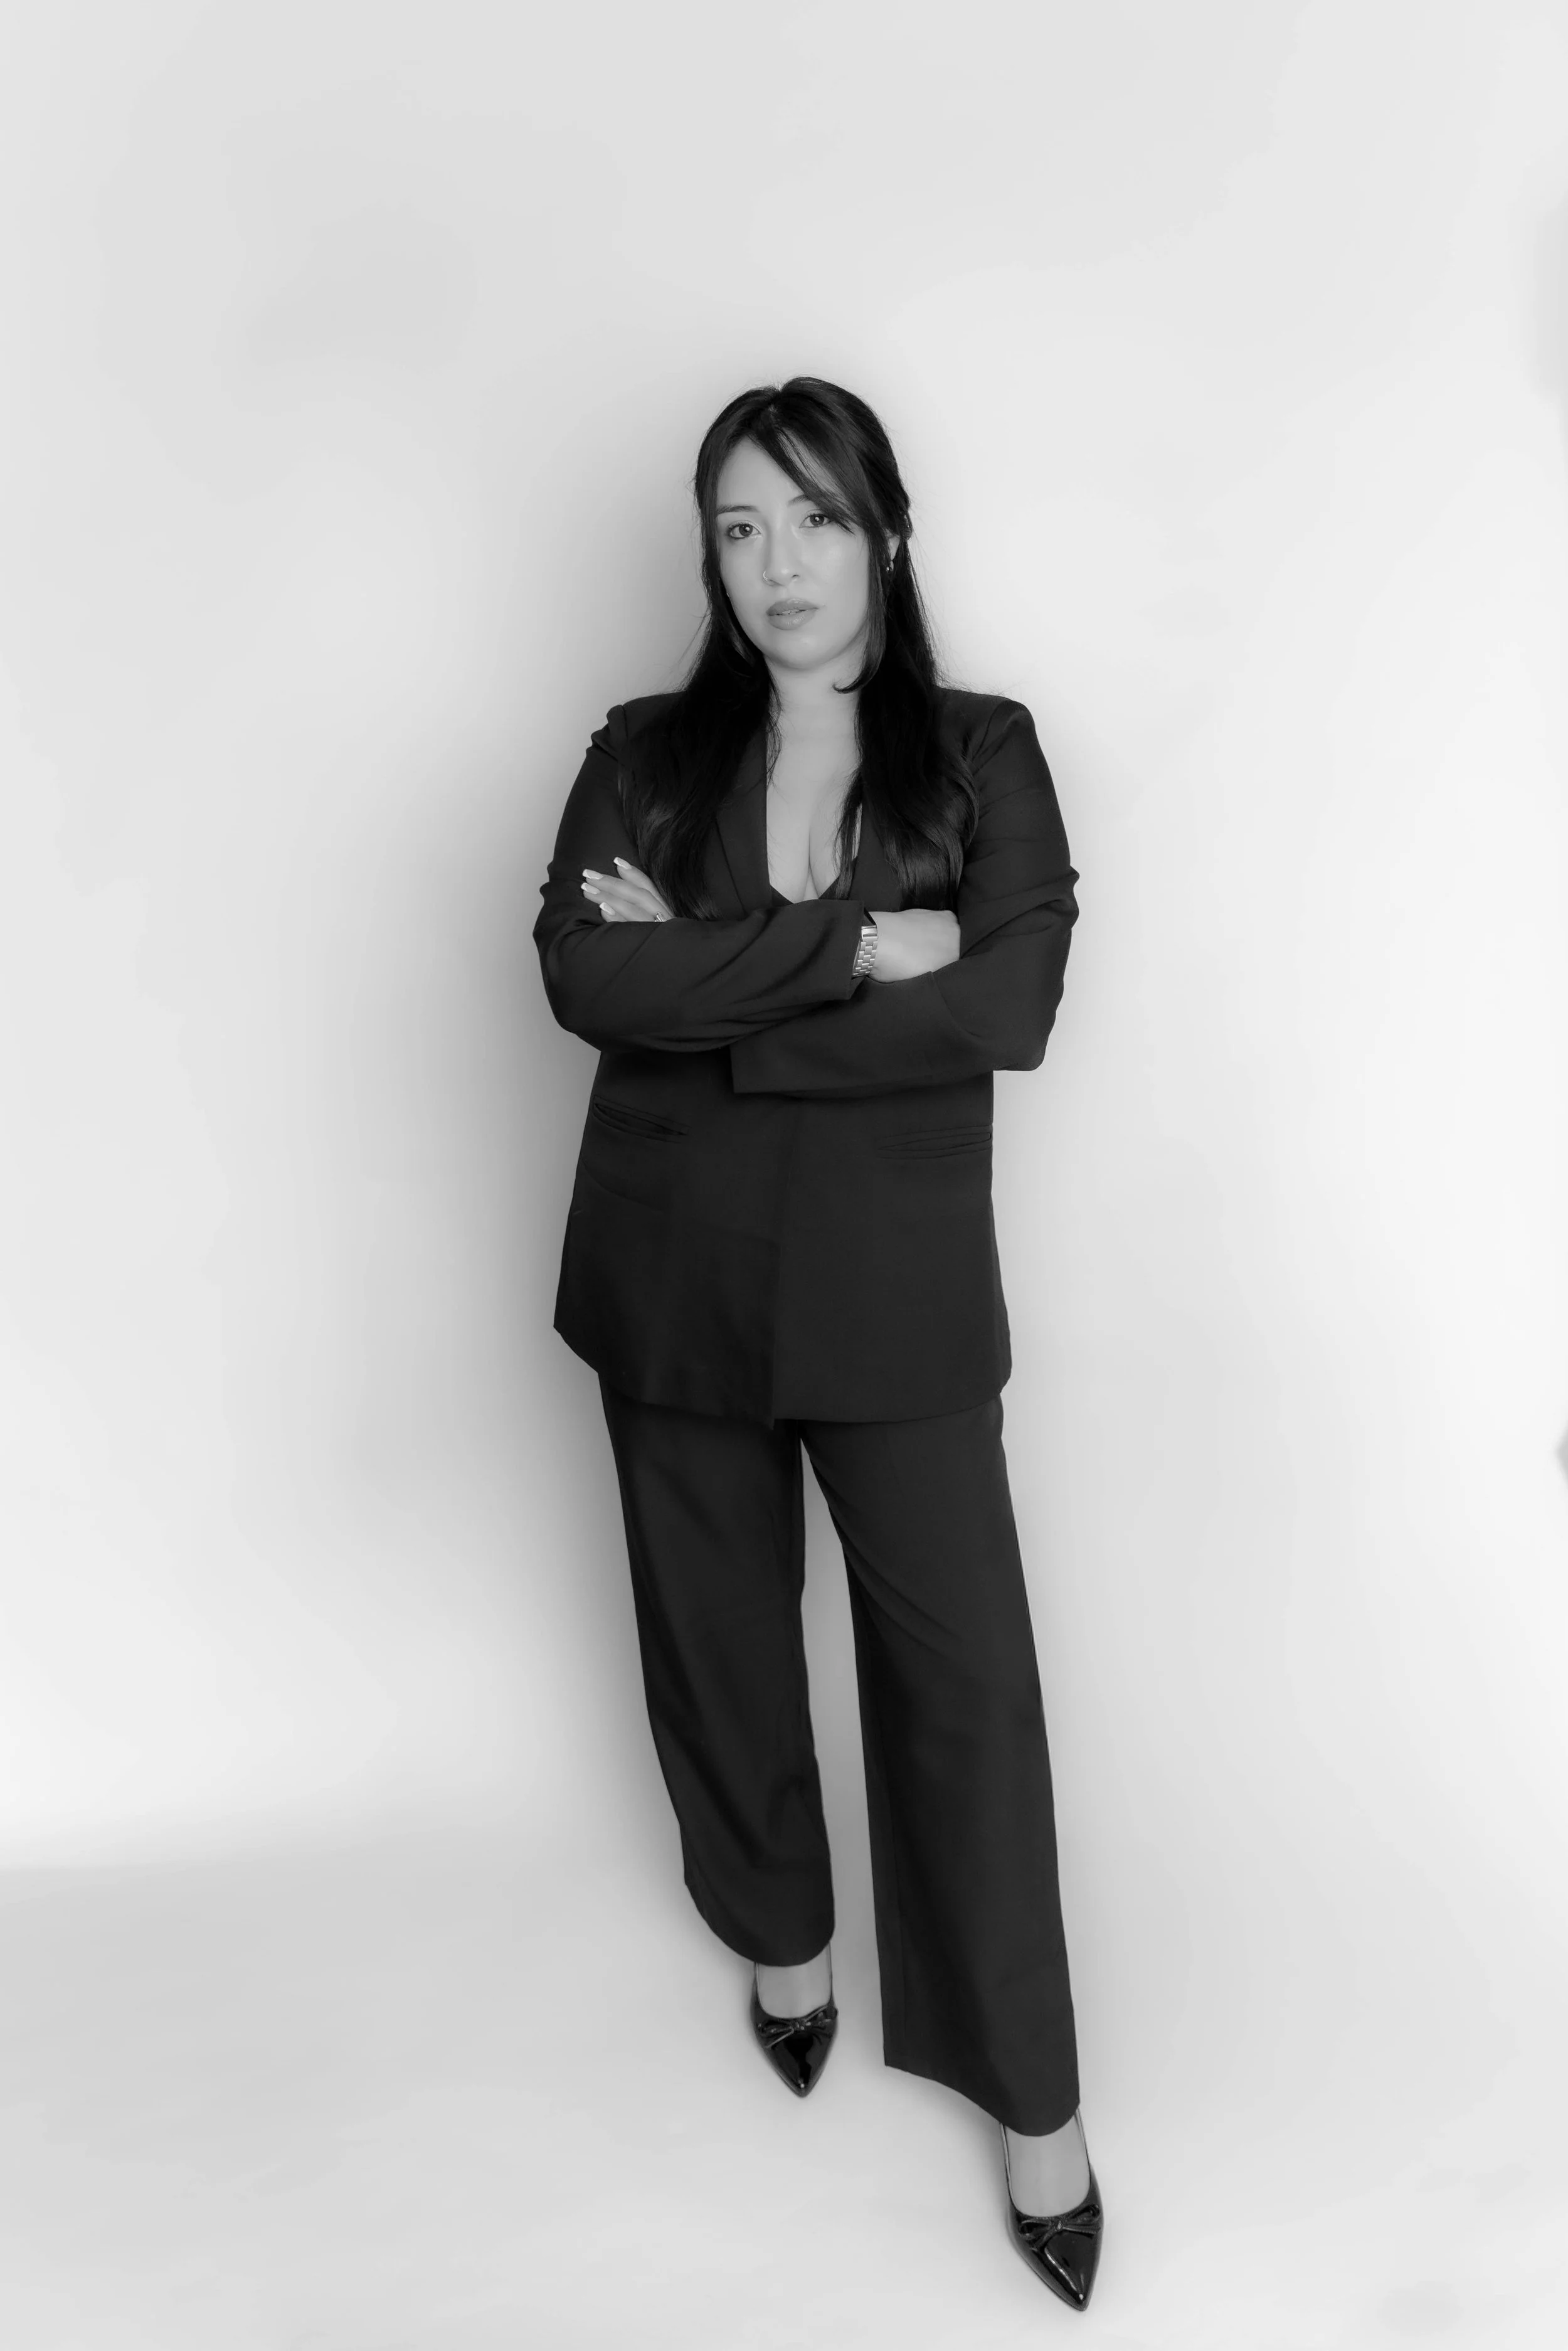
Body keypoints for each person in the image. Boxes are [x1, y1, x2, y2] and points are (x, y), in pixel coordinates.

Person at [532, 377, 1101, 2309]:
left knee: (967, 1695)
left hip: (896, 1296)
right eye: (738, 527)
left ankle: (1034, 2096)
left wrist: (707, 1003)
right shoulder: (640, 752)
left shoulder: (979, 750)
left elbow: (1010, 1002)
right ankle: (782, 1931)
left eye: (815, 520)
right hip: (668, 1274)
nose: (778, 566)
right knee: (714, 1641)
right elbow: (576, 973)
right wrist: (863, 946)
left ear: (886, 530)